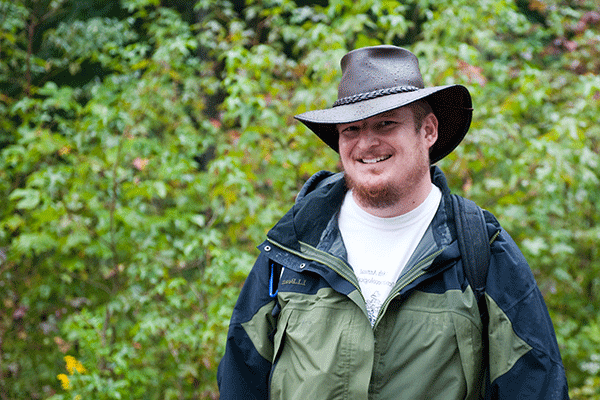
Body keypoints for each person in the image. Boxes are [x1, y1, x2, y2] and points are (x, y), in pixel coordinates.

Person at [217, 45, 569, 399]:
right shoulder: (294, 244)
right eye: (351, 129)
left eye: (386, 123)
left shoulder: (480, 249)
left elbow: (536, 386)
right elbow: (240, 377)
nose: (366, 143)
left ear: (428, 130)